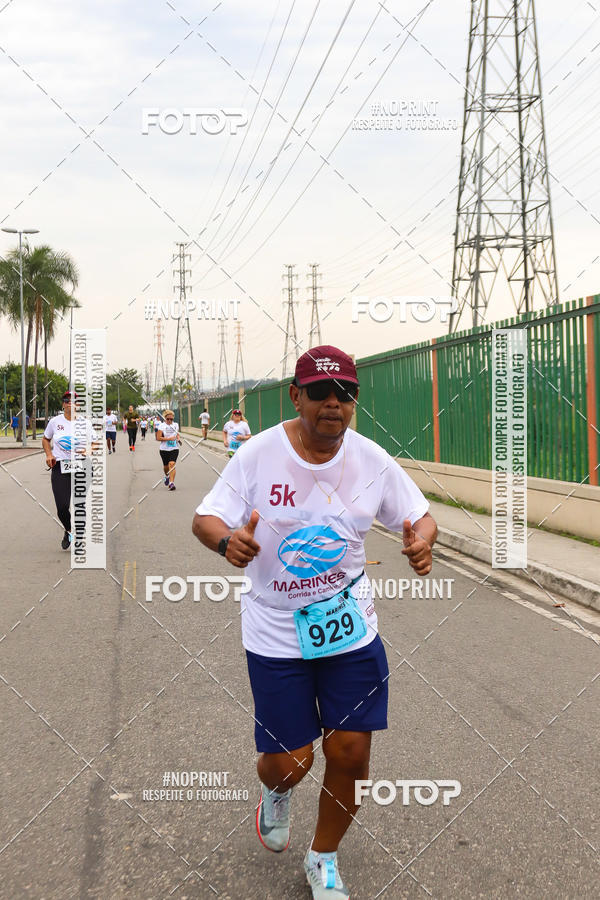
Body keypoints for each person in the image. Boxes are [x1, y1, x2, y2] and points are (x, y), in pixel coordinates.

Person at [192, 345, 437, 900]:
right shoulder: (257, 455)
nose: (334, 403)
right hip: (276, 630)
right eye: (321, 392)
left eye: (345, 393)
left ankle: (322, 856)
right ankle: (275, 792)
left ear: (355, 400)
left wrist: (421, 540)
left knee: (350, 751)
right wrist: (228, 541)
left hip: (349, 624)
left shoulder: (372, 460)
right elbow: (205, 517)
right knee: (290, 762)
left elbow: (419, 515)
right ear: (296, 396)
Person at [42, 391, 98, 550]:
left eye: (73, 401)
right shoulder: (54, 422)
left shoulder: (85, 423)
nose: (69, 403)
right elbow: (46, 439)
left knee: (79, 503)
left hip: (82, 465)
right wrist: (49, 454)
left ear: (78, 405)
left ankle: (79, 538)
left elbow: (95, 443)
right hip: (61, 466)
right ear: (63, 404)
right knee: (62, 506)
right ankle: (69, 530)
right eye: (66, 400)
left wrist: (89, 450)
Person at [156, 410, 182, 491]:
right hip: (164, 449)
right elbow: (158, 438)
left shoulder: (176, 425)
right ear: (165, 418)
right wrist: (168, 439)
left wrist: (178, 438)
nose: (170, 420)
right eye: (168, 419)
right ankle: (167, 476)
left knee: (172, 464)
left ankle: (171, 483)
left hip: (174, 448)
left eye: (171, 419)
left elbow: (177, 433)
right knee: (166, 467)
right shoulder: (161, 426)